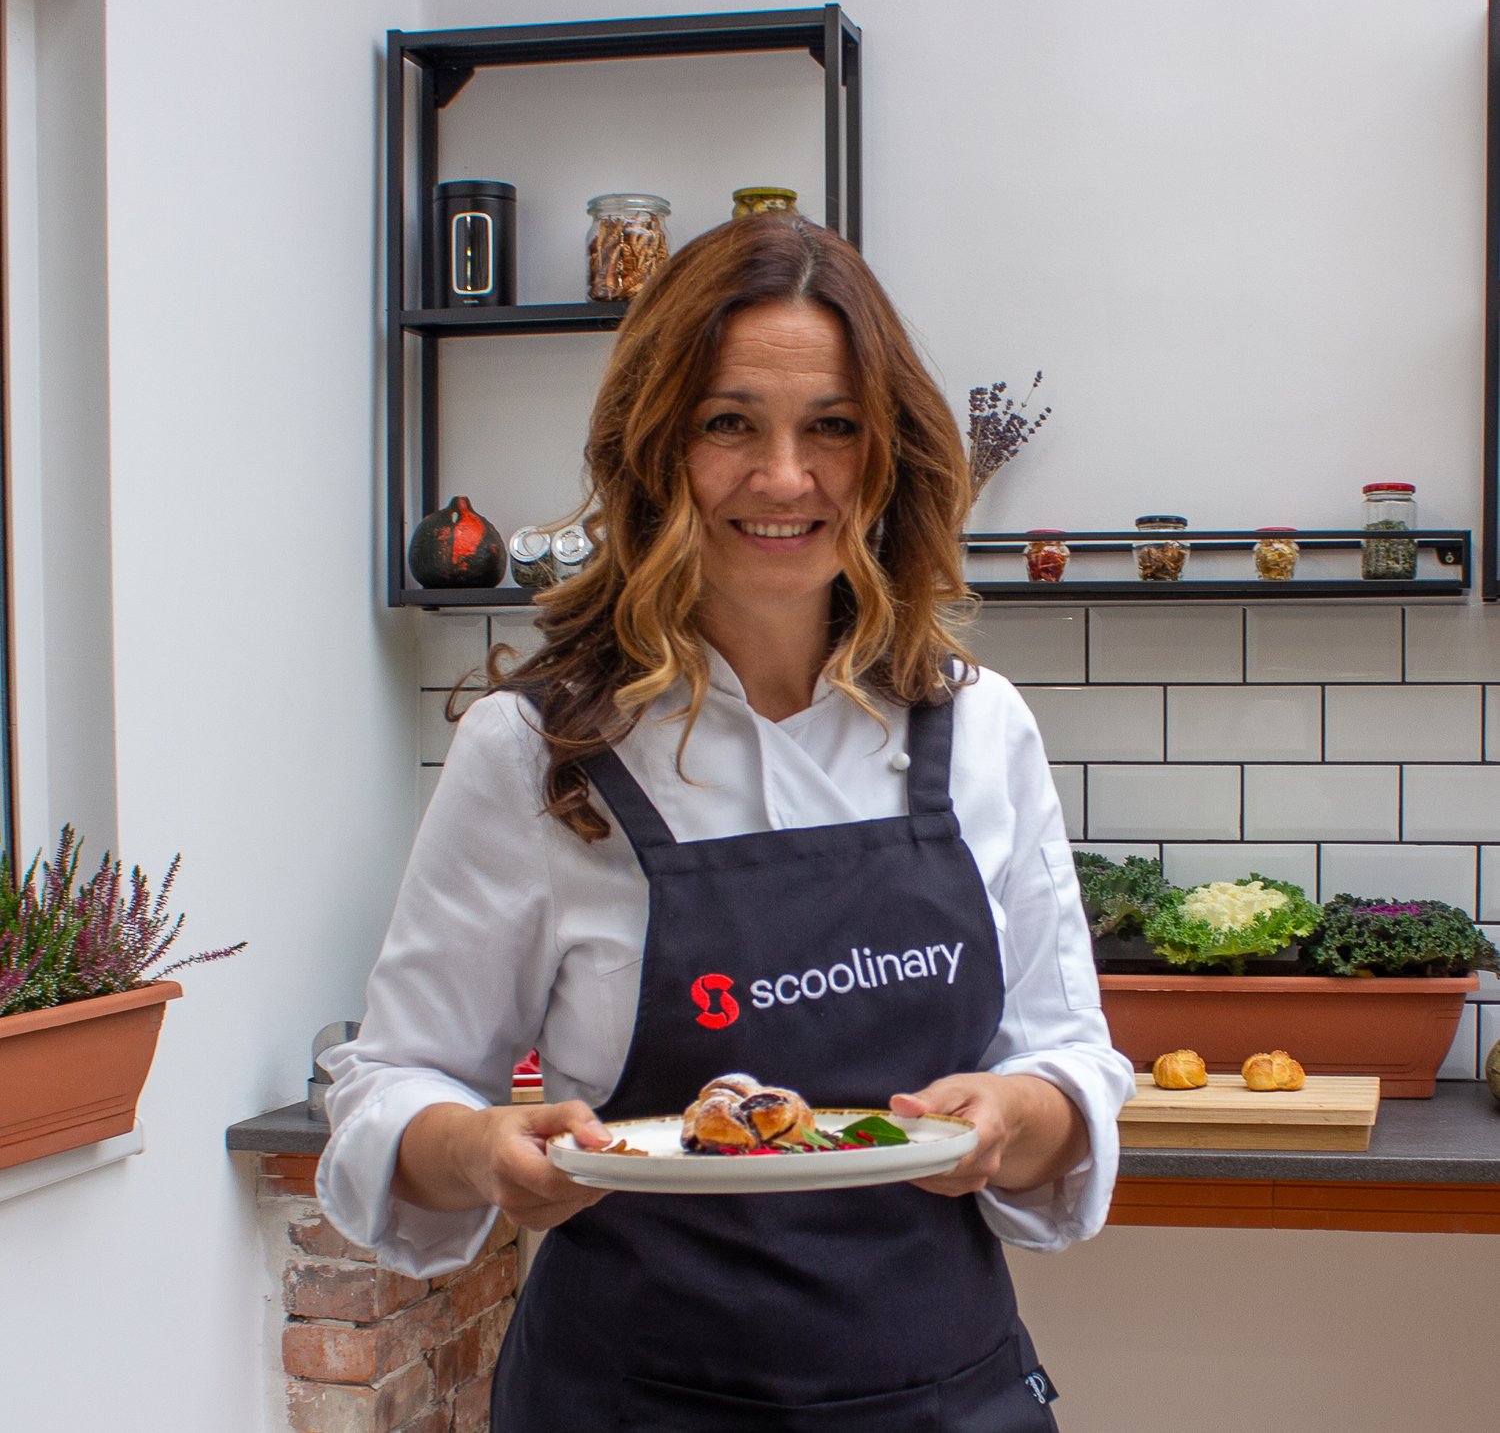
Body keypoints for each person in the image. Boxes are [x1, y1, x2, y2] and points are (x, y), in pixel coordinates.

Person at [318, 211, 1135, 1432]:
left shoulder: (978, 727)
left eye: (833, 428)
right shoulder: (538, 751)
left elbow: (1069, 1060)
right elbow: (392, 1086)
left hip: (944, 1399)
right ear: (655, 448)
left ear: (889, 453)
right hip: (631, 1404)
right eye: (729, 424)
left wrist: (1020, 1119)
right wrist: (483, 1150)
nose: (785, 478)